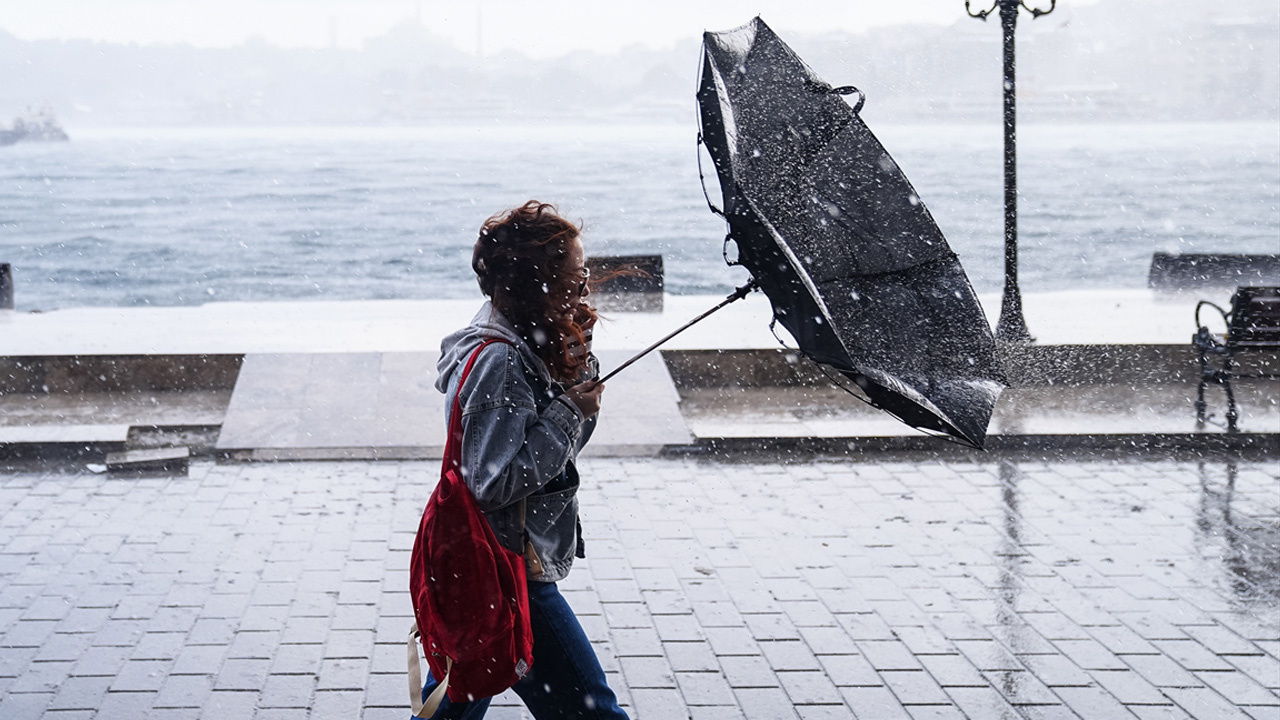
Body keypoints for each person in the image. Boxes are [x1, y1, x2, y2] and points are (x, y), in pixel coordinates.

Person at [420, 201, 629, 719]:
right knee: (591, 712)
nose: (584, 286)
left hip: (486, 564)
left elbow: (559, 447)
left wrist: (575, 364)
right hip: (508, 568)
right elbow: (493, 480)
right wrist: (567, 412)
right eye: (574, 275)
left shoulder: (515, 335)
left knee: (457, 699)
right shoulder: (502, 359)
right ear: (539, 279)